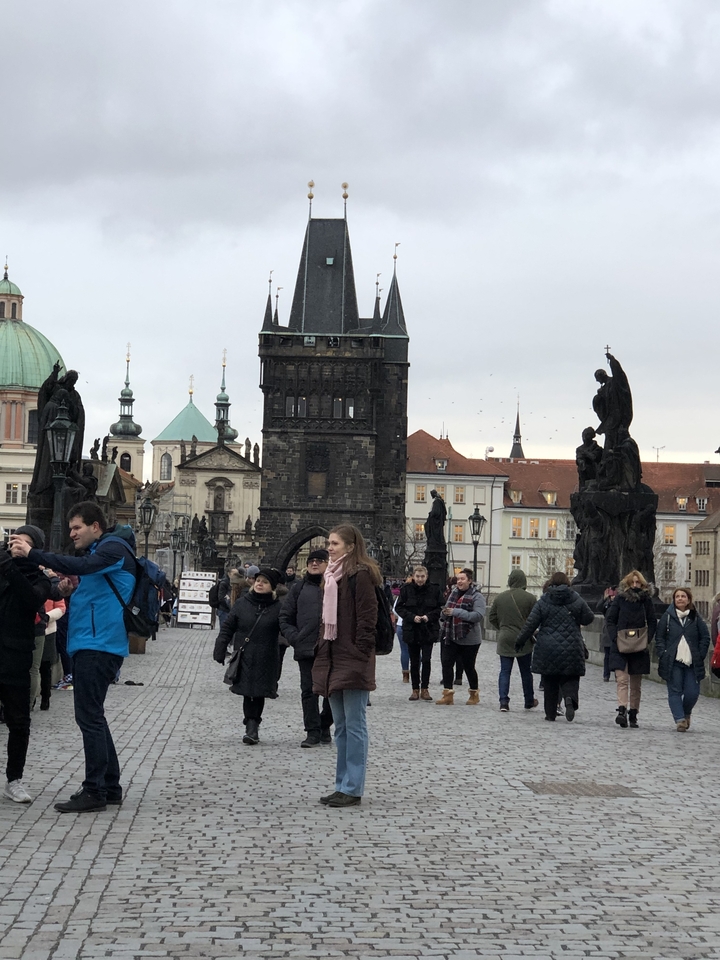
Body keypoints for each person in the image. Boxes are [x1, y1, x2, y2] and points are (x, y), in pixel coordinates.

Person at [10, 502, 137, 812]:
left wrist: (31, 554)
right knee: (94, 717)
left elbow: (80, 566)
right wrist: (69, 590)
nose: (72, 533)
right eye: (70, 528)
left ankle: (94, 790)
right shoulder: (104, 551)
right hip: (92, 642)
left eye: (77, 527)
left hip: (99, 644)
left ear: (96, 526)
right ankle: (110, 786)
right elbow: (89, 583)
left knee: (89, 718)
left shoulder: (113, 548)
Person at [313, 524, 380, 808]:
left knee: (354, 726)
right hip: (333, 657)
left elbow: (368, 619)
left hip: (352, 658)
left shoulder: (360, 575)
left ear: (351, 547)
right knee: (340, 726)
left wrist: (361, 652)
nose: (329, 547)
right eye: (329, 542)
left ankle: (353, 787)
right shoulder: (331, 577)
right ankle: (341, 785)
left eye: (335, 543)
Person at [1, 526, 53, 802]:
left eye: (26, 543)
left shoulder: (40, 578)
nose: (17, 546)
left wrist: (10, 565)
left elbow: (31, 599)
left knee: (19, 722)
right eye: (16, 540)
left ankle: (14, 779)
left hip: (17, 655)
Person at [214, 568, 282, 745]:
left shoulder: (278, 607)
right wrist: (220, 647)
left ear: (272, 587)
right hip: (245, 654)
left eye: (265, 582)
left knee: (258, 693)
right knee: (247, 692)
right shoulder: (242, 603)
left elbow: (286, 628)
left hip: (267, 656)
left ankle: (254, 723)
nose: (259, 584)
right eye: (258, 580)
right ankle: (250, 725)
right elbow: (228, 626)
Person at [514, 572, 594, 722]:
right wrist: (576, 617)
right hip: (572, 645)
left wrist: (520, 641)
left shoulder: (544, 600)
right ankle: (569, 699)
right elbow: (589, 617)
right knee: (570, 676)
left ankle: (550, 714)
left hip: (547, 647)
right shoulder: (575, 598)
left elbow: (531, 624)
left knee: (550, 680)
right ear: (567, 583)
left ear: (551, 583)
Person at [279, 549, 333, 747]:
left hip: (331, 647)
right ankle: (312, 731)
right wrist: (295, 637)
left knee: (332, 691)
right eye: (311, 560)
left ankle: (325, 723)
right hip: (306, 647)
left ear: (328, 564)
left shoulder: (335, 586)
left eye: (320, 560)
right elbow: (285, 617)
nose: (315, 563)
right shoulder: (298, 588)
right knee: (309, 691)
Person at [605, 570, 656, 729]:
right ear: (627, 584)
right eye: (632, 582)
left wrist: (647, 639)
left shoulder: (645, 600)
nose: (635, 585)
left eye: (638, 583)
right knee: (622, 680)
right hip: (620, 645)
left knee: (636, 683)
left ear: (642, 584)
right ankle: (622, 711)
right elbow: (610, 619)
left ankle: (633, 713)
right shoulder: (620, 599)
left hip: (639, 645)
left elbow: (653, 621)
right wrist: (615, 638)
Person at [655, 587, 710, 732]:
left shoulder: (696, 618)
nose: (680, 599)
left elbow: (705, 637)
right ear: (674, 600)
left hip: (692, 662)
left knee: (692, 692)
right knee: (675, 691)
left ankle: (686, 713)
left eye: (683, 596)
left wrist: (700, 654)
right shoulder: (667, 617)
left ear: (688, 599)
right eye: (677, 596)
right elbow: (659, 637)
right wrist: (663, 653)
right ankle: (680, 720)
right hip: (673, 661)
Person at [488, 569, 537, 712]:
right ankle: (529, 700)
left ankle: (504, 702)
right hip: (524, 639)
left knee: (504, 671)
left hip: (505, 637)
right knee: (526, 672)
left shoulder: (500, 597)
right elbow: (535, 619)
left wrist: (502, 628)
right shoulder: (530, 598)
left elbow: (492, 617)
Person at [436, 569, 486, 706]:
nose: (459, 581)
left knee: (468, 666)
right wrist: (444, 614)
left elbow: (478, 615)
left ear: (470, 581)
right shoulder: (453, 593)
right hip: (451, 634)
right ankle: (447, 694)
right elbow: (447, 610)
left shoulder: (477, 596)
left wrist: (455, 612)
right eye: (458, 579)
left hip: (470, 638)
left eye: (462, 579)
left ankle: (474, 694)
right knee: (446, 663)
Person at [395, 565, 443, 701]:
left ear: (426, 576)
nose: (420, 579)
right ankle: (415, 689)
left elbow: (440, 608)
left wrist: (429, 617)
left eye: (422, 577)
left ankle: (425, 689)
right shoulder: (406, 589)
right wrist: (411, 617)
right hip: (412, 629)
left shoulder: (434, 589)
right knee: (414, 661)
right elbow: (399, 608)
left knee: (426, 660)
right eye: (418, 576)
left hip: (428, 629)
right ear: (413, 576)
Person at [596, 586, 617, 682]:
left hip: (616, 633)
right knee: (607, 655)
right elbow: (598, 607)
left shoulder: (618, 605)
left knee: (617, 655)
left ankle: (617, 674)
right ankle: (606, 674)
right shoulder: (607, 604)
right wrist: (604, 598)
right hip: (607, 633)